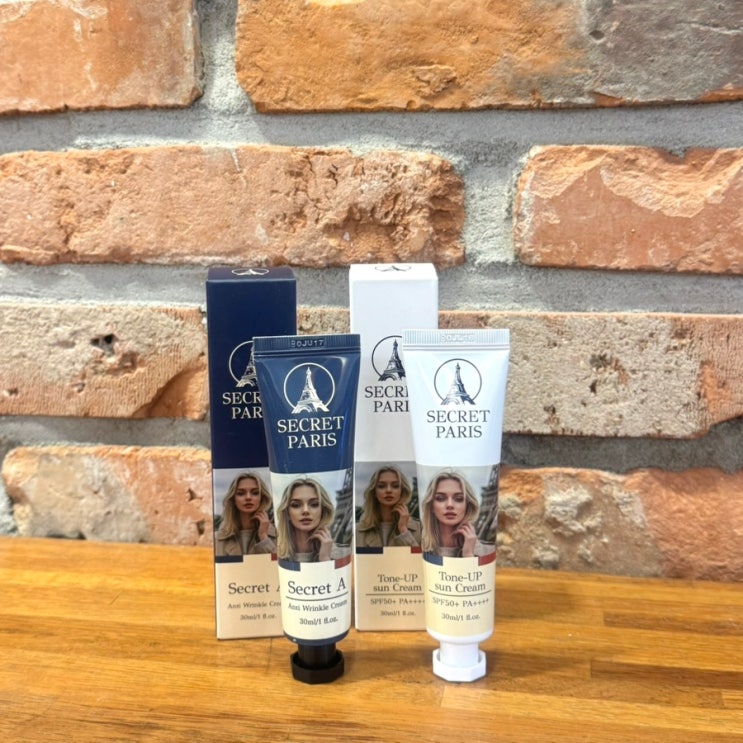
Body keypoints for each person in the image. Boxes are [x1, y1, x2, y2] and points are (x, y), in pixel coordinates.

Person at [420, 471, 493, 558]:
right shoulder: (419, 548)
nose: (450, 505)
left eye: (458, 498)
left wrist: (468, 555)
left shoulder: (490, 551)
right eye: (440, 498)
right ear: (431, 506)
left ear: (468, 506)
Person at [214, 472, 276, 556]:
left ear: (261, 498)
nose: (248, 497)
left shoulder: (277, 535)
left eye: (255, 493)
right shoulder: (218, 539)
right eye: (241, 493)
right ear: (233, 499)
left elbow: (278, 563)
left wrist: (264, 537)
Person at [356, 465, 421, 547]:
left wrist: (404, 530)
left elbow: (419, 555)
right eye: (381, 486)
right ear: (374, 492)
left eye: (395, 486)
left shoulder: (419, 529)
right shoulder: (357, 531)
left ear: (402, 491)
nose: (388, 490)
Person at [276, 477, 337, 562]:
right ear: (287, 513)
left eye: (314, 504)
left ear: (323, 511)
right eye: (296, 505)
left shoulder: (341, 554)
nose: (305, 510)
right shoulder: (275, 552)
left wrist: (325, 559)